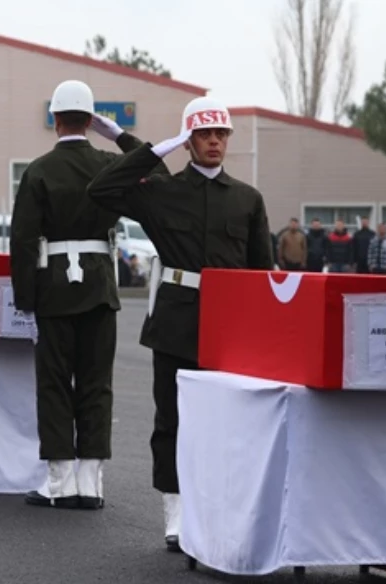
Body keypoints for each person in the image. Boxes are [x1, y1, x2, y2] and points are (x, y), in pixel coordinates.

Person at [87, 96, 273, 550]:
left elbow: (263, 272)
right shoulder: (161, 190)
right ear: (188, 142)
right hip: (177, 318)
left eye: (221, 134)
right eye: (205, 135)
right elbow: (102, 190)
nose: (214, 142)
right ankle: (176, 510)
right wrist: (150, 150)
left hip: (230, 323)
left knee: (227, 422)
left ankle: (222, 508)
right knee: (172, 417)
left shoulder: (247, 199)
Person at [10, 80, 157, 510]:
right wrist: (122, 138)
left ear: (55, 119)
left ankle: (60, 481)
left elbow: (23, 239)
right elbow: (158, 172)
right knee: (96, 382)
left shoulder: (38, 171)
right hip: (98, 286)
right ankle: (91, 481)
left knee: (55, 383)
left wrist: (25, 297)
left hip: (54, 286)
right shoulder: (110, 164)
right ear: (92, 120)